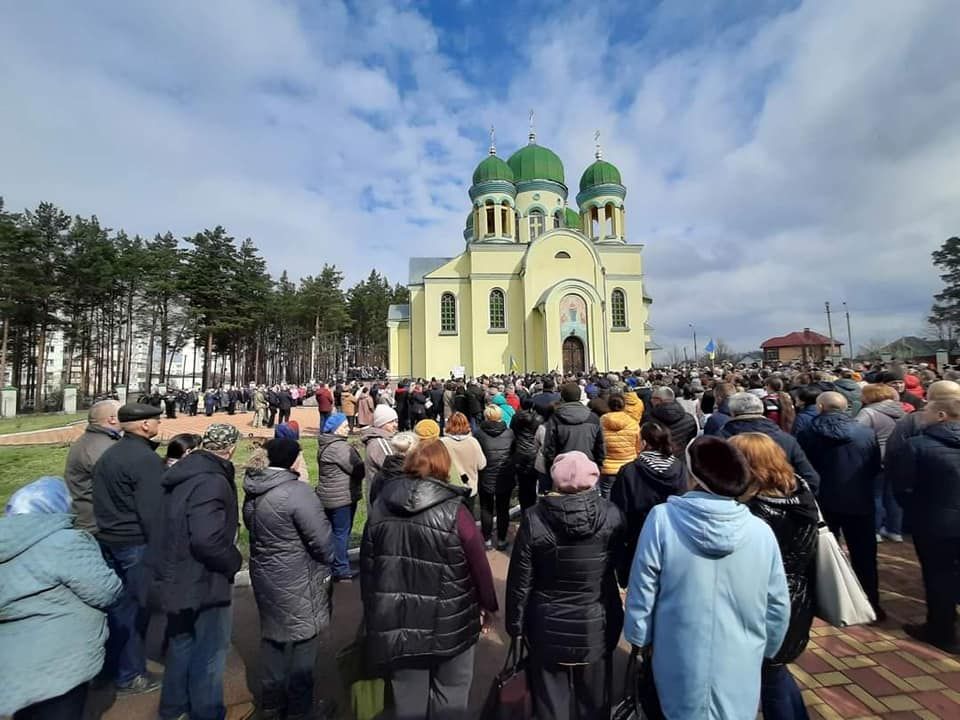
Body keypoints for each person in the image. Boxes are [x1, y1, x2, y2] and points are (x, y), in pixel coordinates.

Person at [624, 436, 790, 719]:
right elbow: (777, 602)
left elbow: (643, 586)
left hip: (675, 646)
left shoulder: (662, 519)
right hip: (741, 652)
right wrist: (768, 646)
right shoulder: (760, 531)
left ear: (693, 477)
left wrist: (639, 636)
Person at [360, 441, 498, 719]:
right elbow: (480, 565)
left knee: (407, 697)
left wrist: (372, 609)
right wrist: (488, 605)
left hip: (397, 621)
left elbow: (367, 567)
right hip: (451, 621)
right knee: (451, 692)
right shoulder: (457, 512)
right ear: (444, 467)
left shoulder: (379, 507)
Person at [506, 451, 624, 719]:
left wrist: (515, 625)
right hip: (596, 622)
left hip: (547, 624)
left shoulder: (535, 518)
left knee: (549, 702)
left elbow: (521, 580)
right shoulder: (612, 515)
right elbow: (617, 564)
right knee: (594, 701)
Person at [0, 477, 123, 719]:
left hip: (11, 663)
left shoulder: (7, 544)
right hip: (58, 663)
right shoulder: (65, 543)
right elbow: (107, 590)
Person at [150, 423, 244, 720]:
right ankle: (206, 712)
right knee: (211, 652)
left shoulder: (183, 472)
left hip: (176, 570)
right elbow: (206, 538)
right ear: (230, 448)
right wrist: (232, 561)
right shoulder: (212, 480)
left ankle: (174, 708)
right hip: (204, 578)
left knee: (181, 644)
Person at [243, 438, 337, 720]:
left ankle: (272, 703)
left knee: (273, 637)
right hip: (298, 574)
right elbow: (322, 541)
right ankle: (300, 709)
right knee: (303, 639)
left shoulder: (254, 487)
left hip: (266, 571)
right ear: (294, 460)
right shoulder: (297, 492)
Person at [730, 433, 818, 720]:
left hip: (768, 598)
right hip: (798, 592)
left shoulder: (754, 510)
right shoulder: (799, 491)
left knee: (769, 673)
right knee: (775, 668)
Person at [92, 402, 165, 695]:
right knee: (136, 610)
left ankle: (110, 668)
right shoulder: (144, 460)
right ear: (145, 425)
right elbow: (152, 511)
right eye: (156, 420)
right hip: (135, 543)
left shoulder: (111, 454)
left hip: (109, 537)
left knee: (117, 608)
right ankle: (131, 674)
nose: (159, 424)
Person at [797, 391, 884, 620]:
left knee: (824, 553)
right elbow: (874, 466)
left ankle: (826, 600)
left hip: (824, 500)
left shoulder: (807, 433)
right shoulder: (865, 433)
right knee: (864, 554)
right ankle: (871, 601)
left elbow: (803, 468)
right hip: (860, 499)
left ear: (820, 407)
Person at [888, 396, 960, 653]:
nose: (923, 414)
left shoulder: (917, 445)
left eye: (928, 410)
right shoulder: (918, 444)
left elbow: (903, 487)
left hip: (934, 522)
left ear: (942, 415)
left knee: (938, 576)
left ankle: (941, 630)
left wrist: (916, 510)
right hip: (939, 517)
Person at [611, 422, 685, 586]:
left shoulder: (629, 471)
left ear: (644, 443)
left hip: (638, 536)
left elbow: (619, 508)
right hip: (674, 535)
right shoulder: (680, 468)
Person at [719, 392, 821, 493]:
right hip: (781, 498)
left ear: (732, 413)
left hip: (737, 500)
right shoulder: (786, 439)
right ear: (762, 410)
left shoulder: (721, 439)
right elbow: (811, 480)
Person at [316, 413, 365, 581]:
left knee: (332, 532)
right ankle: (341, 568)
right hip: (341, 497)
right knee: (341, 533)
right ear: (335, 429)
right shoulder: (340, 448)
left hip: (328, 495)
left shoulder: (325, 444)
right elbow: (357, 469)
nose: (348, 428)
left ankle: (330, 564)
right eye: (344, 426)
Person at [856, 384, 907, 542]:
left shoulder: (868, 412)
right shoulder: (902, 412)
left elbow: (857, 431)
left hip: (876, 457)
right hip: (897, 457)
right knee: (892, 495)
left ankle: (875, 529)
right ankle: (895, 530)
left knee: (875, 494)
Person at [64, 398, 121, 534]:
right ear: (112, 419)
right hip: (98, 526)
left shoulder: (95, 440)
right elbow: (119, 485)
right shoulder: (101, 447)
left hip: (94, 520)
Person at [475, 404, 516, 550]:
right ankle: (501, 539)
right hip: (504, 475)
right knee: (502, 508)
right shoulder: (510, 433)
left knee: (486, 508)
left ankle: (486, 539)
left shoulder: (479, 434)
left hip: (486, 475)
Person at [542, 381, 605, 471]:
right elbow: (600, 444)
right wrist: (599, 463)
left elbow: (549, 446)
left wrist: (551, 466)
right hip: (587, 466)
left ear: (562, 398)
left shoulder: (555, 418)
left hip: (562, 467)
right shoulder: (593, 417)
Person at [599, 393, 640, 499]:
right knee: (626, 495)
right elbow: (638, 445)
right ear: (624, 406)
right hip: (628, 465)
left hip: (607, 467)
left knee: (606, 494)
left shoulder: (601, 421)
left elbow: (597, 444)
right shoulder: (633, 423)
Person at [440, 411, 487, 503]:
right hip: (470, 488)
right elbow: (482, 464)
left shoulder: (443, 443)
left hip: (450, 489)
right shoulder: (473, 442)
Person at [360, 405, 398, 505]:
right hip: (381, 497)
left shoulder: (380, 440)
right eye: (391, 422)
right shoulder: (380, 443)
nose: (395, 425)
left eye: (396, 421)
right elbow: (395, 467)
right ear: (381, 423)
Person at [369, 431, 419, 505]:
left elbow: (373, 499)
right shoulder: (417, 475)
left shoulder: (381, 474)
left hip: (383, 514)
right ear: (415, 450)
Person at [649, 386, 698, 454]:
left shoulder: (648, 421)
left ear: (658, 400)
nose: (650, 400)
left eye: (652, 398)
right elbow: (691, 440)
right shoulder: (690, 419)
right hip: (681, 459)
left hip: (656, 461)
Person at [510, 408, 542, 510]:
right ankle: (531, 507)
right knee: (532, 485)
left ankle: (525, 508)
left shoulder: (516, 424)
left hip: (520, 455)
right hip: (533, 455)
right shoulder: (537, 424)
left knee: (523, 485)